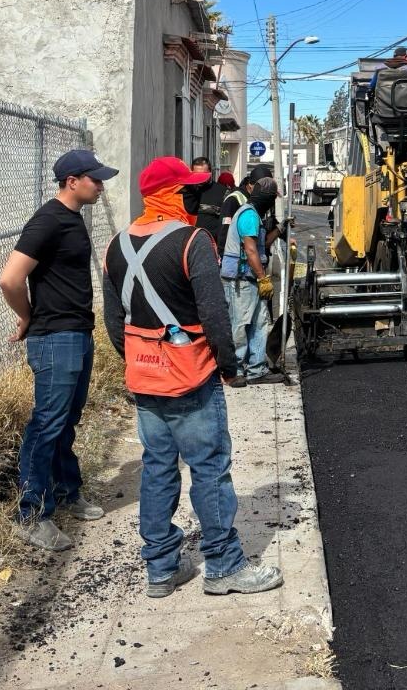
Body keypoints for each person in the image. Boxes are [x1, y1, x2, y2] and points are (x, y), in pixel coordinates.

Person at [102, 156, 285, 598]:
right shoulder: (192, 241)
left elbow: (112, 320)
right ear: (169, 195)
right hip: (192, 376)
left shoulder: (117, 245)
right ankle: (224, 565)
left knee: (157, 470)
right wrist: (227, 366)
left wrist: (139, 362)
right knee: (210, 470)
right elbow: (215, 312)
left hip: (145, 379)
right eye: (187, 191)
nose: (193, 198)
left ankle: (161, 569)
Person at [0, 148, 117, 551]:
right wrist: (28, 316)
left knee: (67, 419)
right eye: (95, 179)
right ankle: (30, 514)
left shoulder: (72, 219)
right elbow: (10, 279)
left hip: (77, 334)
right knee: (47, 422)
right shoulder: (49, 219)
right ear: (72, 182)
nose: (101, 186)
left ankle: (67, 490)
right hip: (55, 338)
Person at [220, 170, 286, 386]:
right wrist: (262, 278)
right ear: (266, 199)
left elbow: (263, 244)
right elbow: (250, 251)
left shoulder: (253, 215)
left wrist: (281, 228)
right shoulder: (248, 215)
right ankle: (236, 369)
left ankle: (257, 370)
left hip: (250, 279)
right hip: (240, 280)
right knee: (240, 324)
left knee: (259, 322)